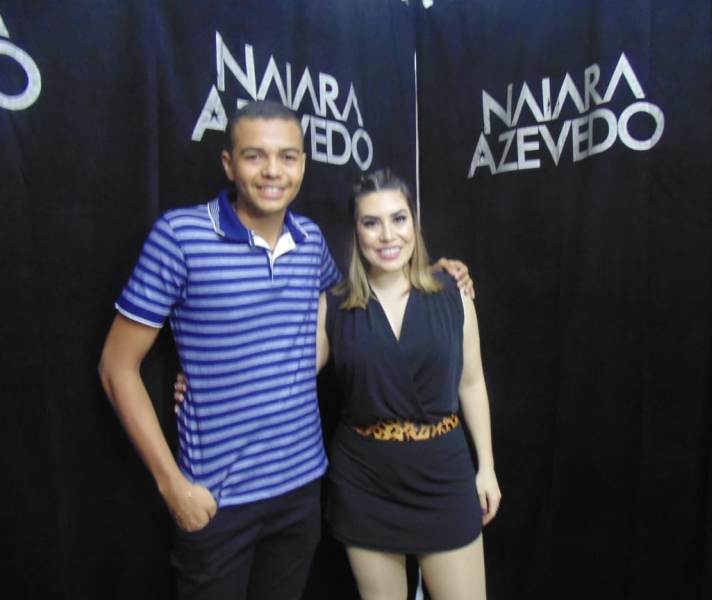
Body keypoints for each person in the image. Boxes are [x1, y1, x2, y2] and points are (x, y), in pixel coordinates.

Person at [98, 100, 471, 600]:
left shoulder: (310, 240)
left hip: (301, 489)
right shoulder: (180, 236)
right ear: (228, 163)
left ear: (302, 165)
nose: (272, 171)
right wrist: (173, 486)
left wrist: (434, 272)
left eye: (287, 157)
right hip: (217, 498)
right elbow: (116, 368)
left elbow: (358, 307)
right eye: (254, 156)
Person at [318, 168, 501, 600]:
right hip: (365, 482)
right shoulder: (333, 306)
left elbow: (472, 383)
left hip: (443, 476)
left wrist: (487, 468)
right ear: (356, 231)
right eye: (371, 222)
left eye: (398, 219)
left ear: (414, 223)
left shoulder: (453, 293)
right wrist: (204, 381)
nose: (387, 235)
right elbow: (284, 376)